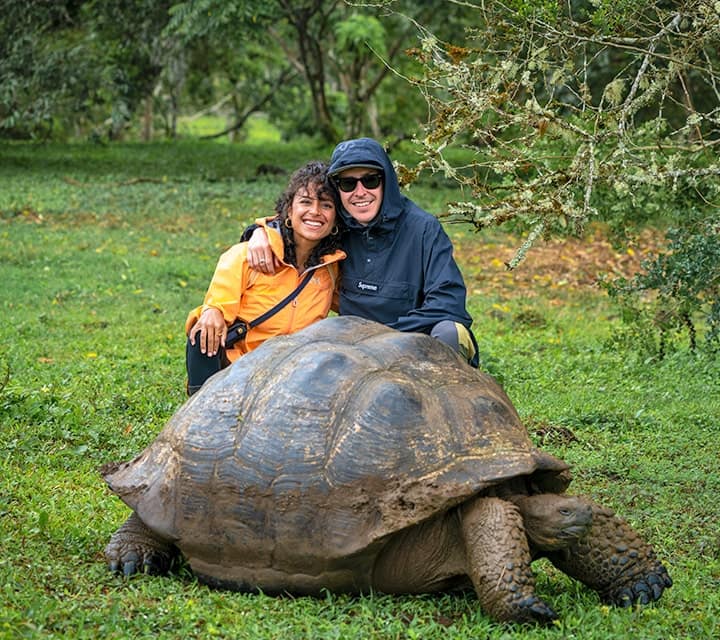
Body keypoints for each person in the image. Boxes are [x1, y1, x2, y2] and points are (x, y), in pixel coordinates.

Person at [244, 137, 478, 366]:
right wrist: (262, 230)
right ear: (337, 190)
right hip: (354, 351)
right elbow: (301, 222)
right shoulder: (338, 227)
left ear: (386, 182)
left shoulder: (423, 229)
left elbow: (449, 304)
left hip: (414, 343)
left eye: (370, 180)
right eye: (347, 184)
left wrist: (388, 338)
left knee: (451, 332)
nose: (360, 192)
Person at [185, 160, 345, 395]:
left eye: (326, 205)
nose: (315, 212)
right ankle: (200, 399)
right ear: (289, 210)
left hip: (295, 376)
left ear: (335, 219)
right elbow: (217, 304)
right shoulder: (245, 256)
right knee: (205, 326)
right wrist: (212, 312)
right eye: (306, 202)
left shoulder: (332, 268)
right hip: (239, 372)